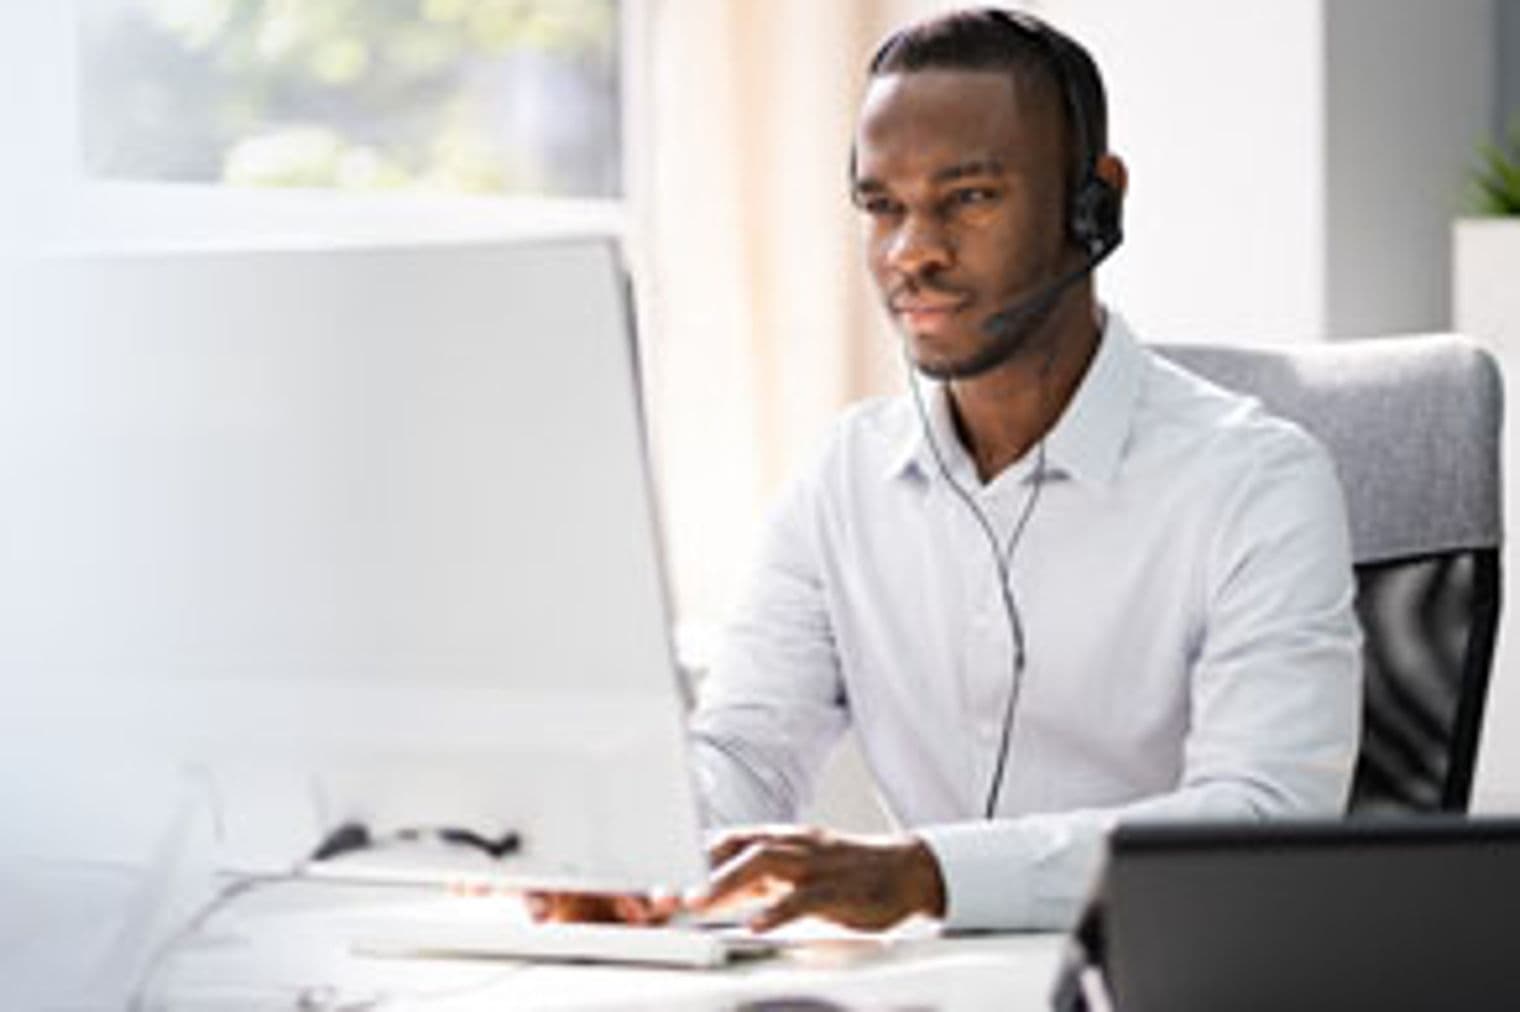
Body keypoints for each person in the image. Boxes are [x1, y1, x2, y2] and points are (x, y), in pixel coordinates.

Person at [534, 6, 1361, 934]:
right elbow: (746, 755)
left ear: (1095, 203)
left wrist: (932, 875)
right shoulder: (844, 477)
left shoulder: (1256, 483)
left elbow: (1261, 820)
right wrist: (635, 856)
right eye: (882, 206)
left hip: (1167, 980)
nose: (911, 252)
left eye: (969, 197)